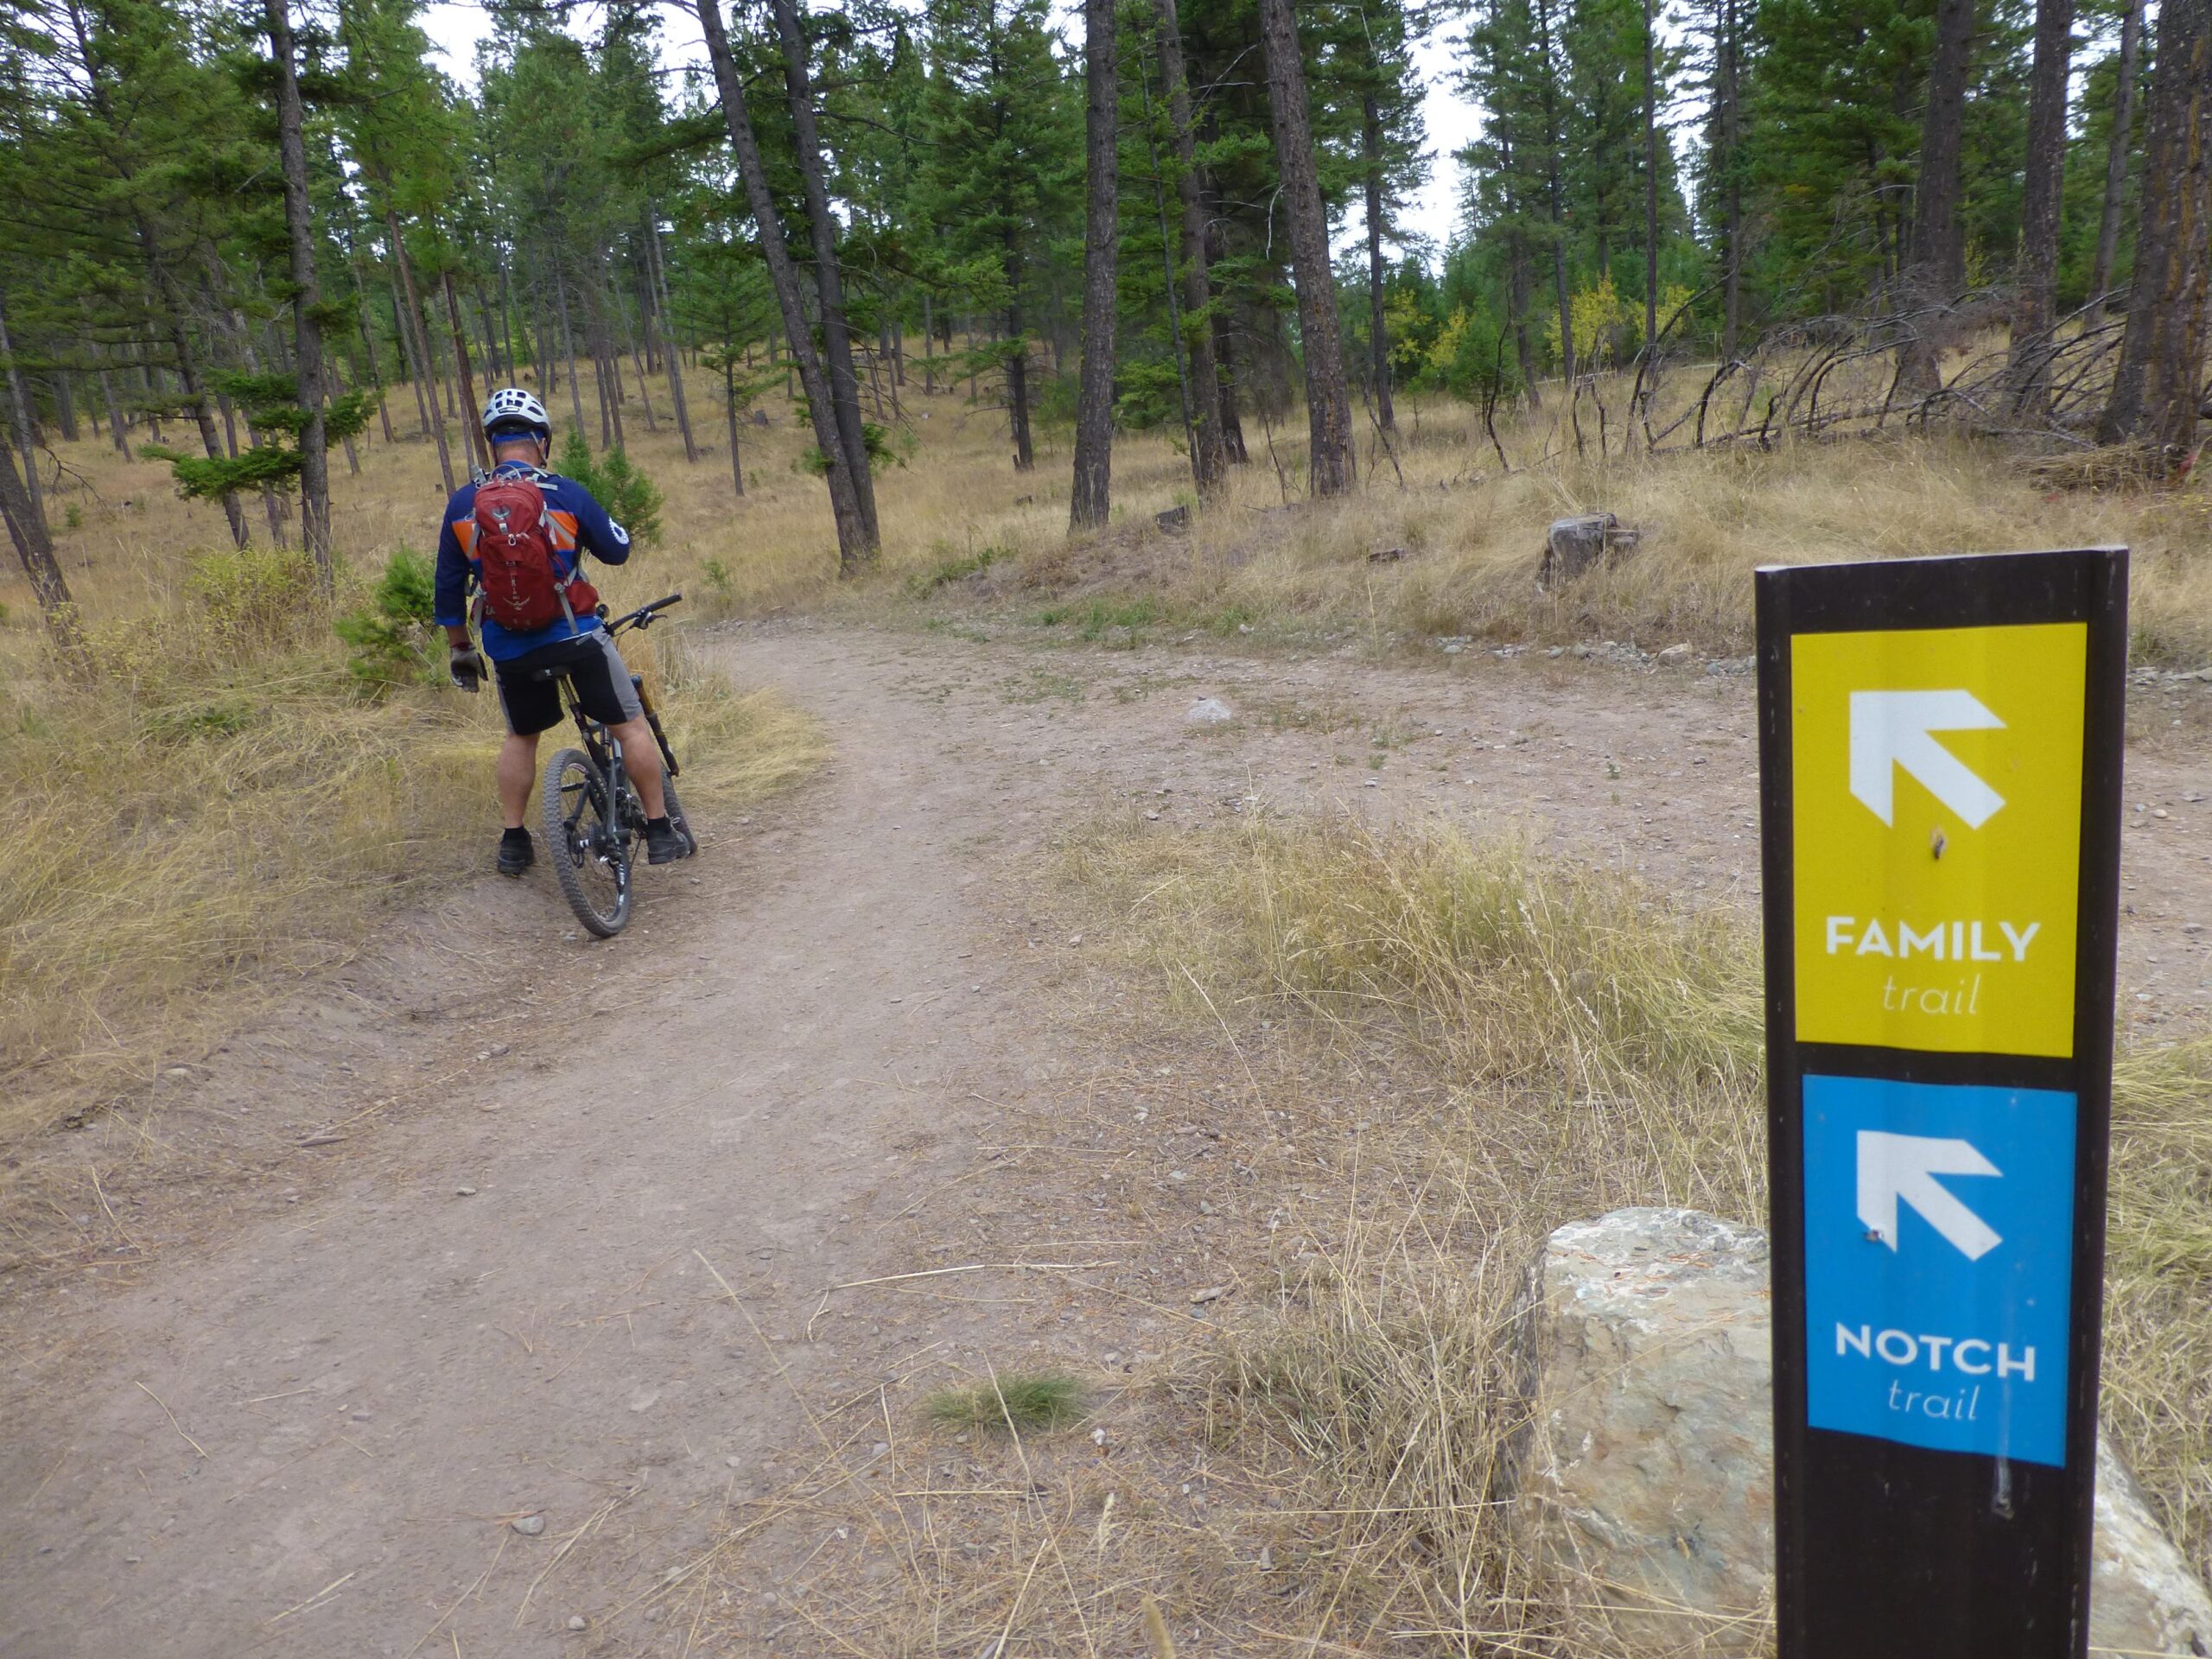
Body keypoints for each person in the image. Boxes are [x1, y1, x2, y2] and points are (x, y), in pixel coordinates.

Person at [435, 387, 692, 875]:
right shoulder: (565, 492)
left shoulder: (463, 505)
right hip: (576, 636)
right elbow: (617, 550)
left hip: (509, 645)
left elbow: (447, 588)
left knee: (520, 737)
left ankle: (513, 842)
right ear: (542, 441)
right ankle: (659, 831)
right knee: (629, 724)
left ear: (494, 445)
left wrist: (461, 649)